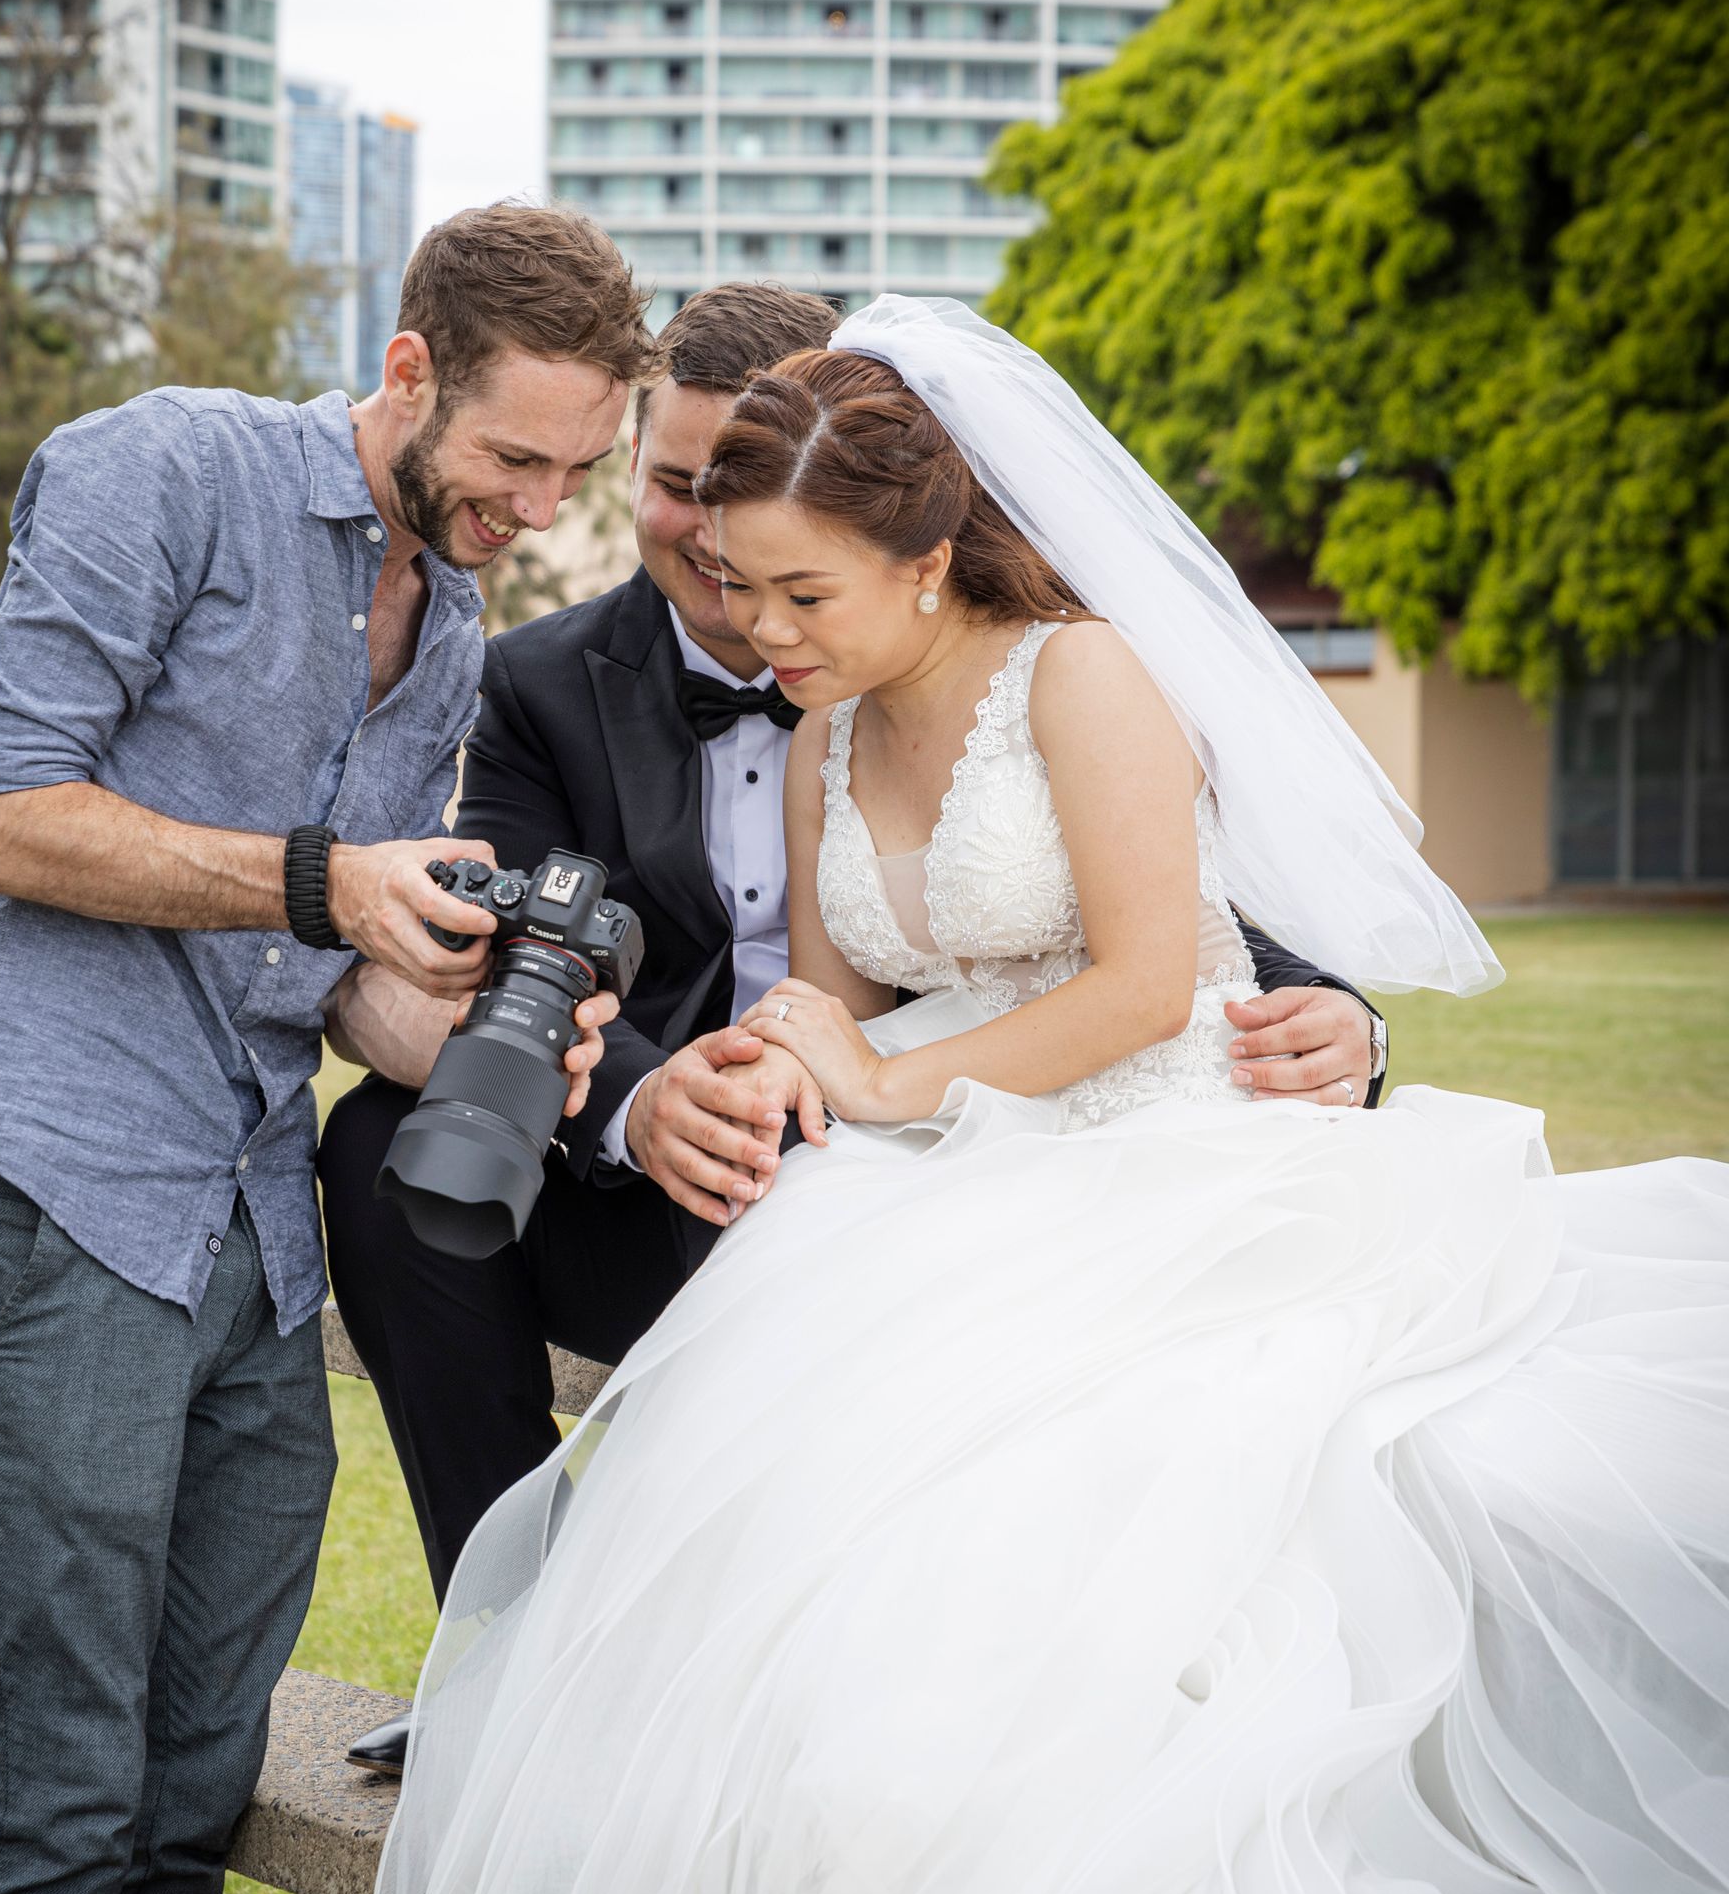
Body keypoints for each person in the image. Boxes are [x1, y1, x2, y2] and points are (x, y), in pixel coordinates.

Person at [372, 302, 1729, 1894]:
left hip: (1160, 1166)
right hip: (920, 1195)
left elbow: (1151, 981)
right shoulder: (811, 732)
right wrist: (803, 1063)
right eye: (740, 592)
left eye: (803, 595)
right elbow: (837, 996)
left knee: (1135, 1532)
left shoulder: (1086, 673)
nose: (766, 632)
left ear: (930, 557)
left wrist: (899, 1095)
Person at [0, 204, 649, 1894]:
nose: (530, 516)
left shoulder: (446, 616)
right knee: (47, 1801)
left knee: (182, 1796)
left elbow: (305, 965)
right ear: (410, 370)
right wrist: (327, 882)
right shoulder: (165, 471)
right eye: (510, 464)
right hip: (54, 1186)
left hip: (245, 1222)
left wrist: (488, 1041)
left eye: (567, 481)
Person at [319, 284, 1381, 1772]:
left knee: (848, 1272)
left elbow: (1170, 923)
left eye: (758, 534)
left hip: (918, 1139)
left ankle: (748, 1696)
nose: (712, 549)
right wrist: (642, 1102)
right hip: (709, 1138)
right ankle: (509, 1653)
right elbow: (516, 955)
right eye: (678, 487)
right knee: (385, 1147)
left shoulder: (1062, 669)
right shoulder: (546, 686)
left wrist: (1348, 1021)